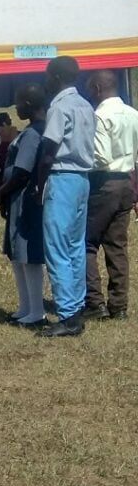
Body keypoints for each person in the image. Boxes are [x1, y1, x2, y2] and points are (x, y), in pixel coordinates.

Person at [31, 56, 97, 337]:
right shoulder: (85, 104)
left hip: (61, 178)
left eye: (47, 76)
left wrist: (39, 185)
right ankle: (77, 305)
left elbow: (48, 151)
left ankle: (68, 314)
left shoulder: (59, 107)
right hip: (82, 180)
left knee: (57, 246)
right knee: (75, 245)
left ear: (56, 78)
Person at [83, 70, 138, 321]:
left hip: (103, 182)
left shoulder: (99, 116)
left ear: (96, 88)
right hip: (126, 180)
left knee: (87, 243)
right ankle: (120, 305)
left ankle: (95, 302)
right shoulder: (132, 113)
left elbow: (101, 157)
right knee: (117, 245)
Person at [0, 84, 48, 327]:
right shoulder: (31, 131)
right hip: (18, 198)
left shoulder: (32, 134)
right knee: (17, 254)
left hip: (25, 197)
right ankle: (26, 306)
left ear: (29, 103)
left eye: (19, 102)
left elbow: (22, 173)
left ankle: (36, 310)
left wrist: (1, 193)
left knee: (28, 254)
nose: (16, 107)